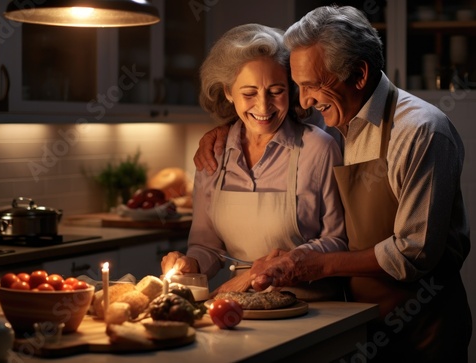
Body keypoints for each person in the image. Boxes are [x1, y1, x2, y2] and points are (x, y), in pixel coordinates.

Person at [193, 5, 472, 363]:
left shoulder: (419, 131)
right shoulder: (343, 118)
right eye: (298, 86)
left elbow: (412, 254)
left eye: (310, 86)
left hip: (421, 330)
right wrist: (225, 130)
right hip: (360, 323)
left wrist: (313, 264)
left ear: (358, 75)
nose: (304, 101)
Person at [161, 23, 347, 301]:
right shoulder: (214, 152)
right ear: (227, 91)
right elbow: (207, 245)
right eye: (249, 93)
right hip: (240, 308)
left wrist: (272, 269)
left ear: (291, 89)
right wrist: (192, 264)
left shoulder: (318, 148)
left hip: (310, 307)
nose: (263, 107)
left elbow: (338, 240)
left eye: (276, 91)